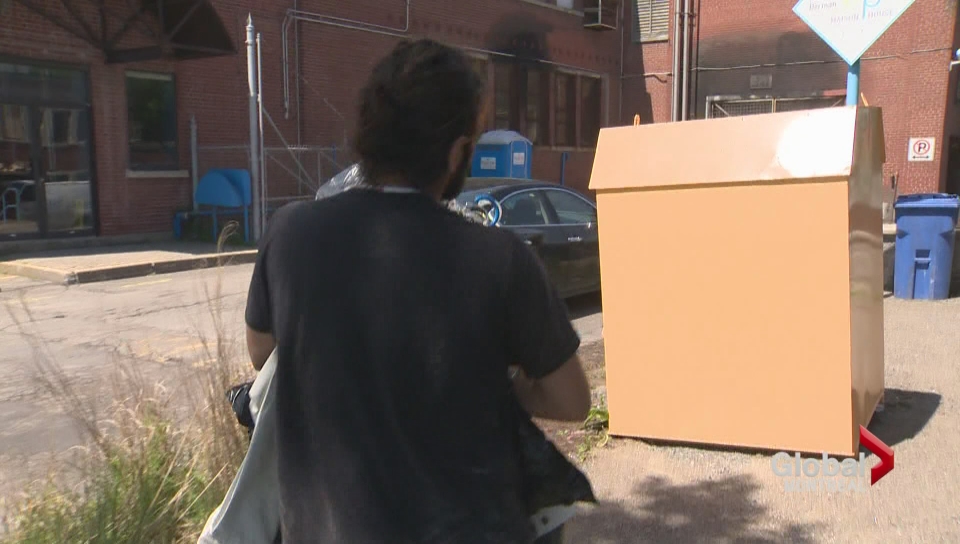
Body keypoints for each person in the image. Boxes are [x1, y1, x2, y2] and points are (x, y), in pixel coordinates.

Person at [244, 38, 591, 544]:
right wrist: (492, 379)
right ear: (454, 153)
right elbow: (571, 399)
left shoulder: (290, 233)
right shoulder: (499, 258)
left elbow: (262, 353)